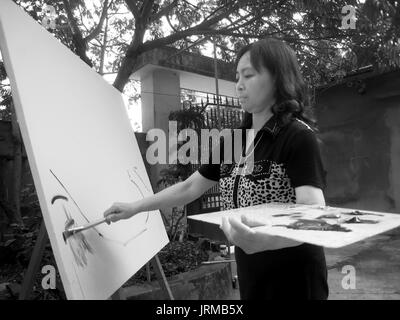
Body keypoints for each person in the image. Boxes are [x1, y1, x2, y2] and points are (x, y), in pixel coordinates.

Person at [103, 38, 329, 300]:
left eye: (249, 75)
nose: (240, 85)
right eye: (237, 77)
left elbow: (314, 213)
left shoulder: (296, 136)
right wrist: (135, 207)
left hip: (295, 278)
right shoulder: (234, 141)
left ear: (278, 79)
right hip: (252, 272)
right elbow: (191, 187)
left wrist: (267, 241)